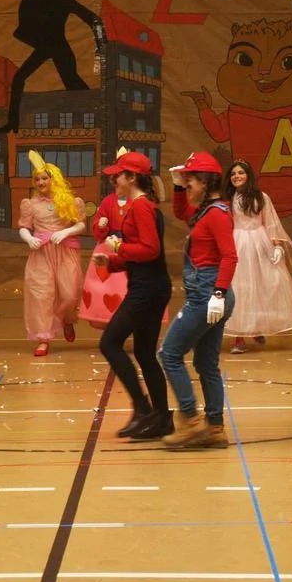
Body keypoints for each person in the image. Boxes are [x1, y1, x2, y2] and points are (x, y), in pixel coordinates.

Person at [159, 152, 237, 449]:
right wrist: (178, 187)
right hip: (209, 292)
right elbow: (182, 213)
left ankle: (191, 421)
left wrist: (218, 293)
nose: (187, 185)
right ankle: (215, 429)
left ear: (205, 182)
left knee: (168, 354)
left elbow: (230, 256)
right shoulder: (207, 211)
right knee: (206, 364)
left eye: (190, 180)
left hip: (208, 293)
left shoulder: (217, 214)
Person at [93, 152, 173, 439]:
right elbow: (144, 254)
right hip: (150, 285)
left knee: (109, 342)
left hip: (147, 289)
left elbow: (150, 250)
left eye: (119, 175)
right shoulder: (141, 205)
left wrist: (119, 248)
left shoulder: (140, 207)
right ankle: (161, 418)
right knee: (144, 353)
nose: (114, 180)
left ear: (133, 177)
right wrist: (113, 262)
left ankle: (143, 409)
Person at [0, 0, 104, 134]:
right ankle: (13, 123)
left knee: (73, 84)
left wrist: (101, 44)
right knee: (21, 79)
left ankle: (99, 115)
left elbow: (91, 18)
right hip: (47, 46)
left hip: (58, 46)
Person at [223, 159, 292, 353]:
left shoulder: (261, 197)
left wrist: (277, 246)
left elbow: (271, 223)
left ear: (248, 175)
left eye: (241, 172)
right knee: (240, 288)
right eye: (233, 173)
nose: (236, 176)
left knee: (263, 286)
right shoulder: (228, 198)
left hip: (259, 244)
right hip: (237, 244)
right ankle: (239, 338)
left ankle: (257, 326)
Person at [18, 150, 86, 356]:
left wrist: (66, 232)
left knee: (69, 293)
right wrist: (29, 238)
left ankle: (66, 319)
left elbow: (81, 224)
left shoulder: (70, 201)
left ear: (53, 179)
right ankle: (43, 338)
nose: (40, 182)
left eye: (44, 178)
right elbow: (23, 227)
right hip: (41, 254)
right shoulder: (30, 205)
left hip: (65, 252)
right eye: (37, 179)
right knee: (42, 296)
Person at [80, 147, 131, 330]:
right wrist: (101, 226)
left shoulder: (139, 201)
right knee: (109, 288)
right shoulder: (108, 201)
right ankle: (110, 323)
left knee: (126, 288)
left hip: (129, 248)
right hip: (109, 248)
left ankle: (127, 322)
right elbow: (97, 233)